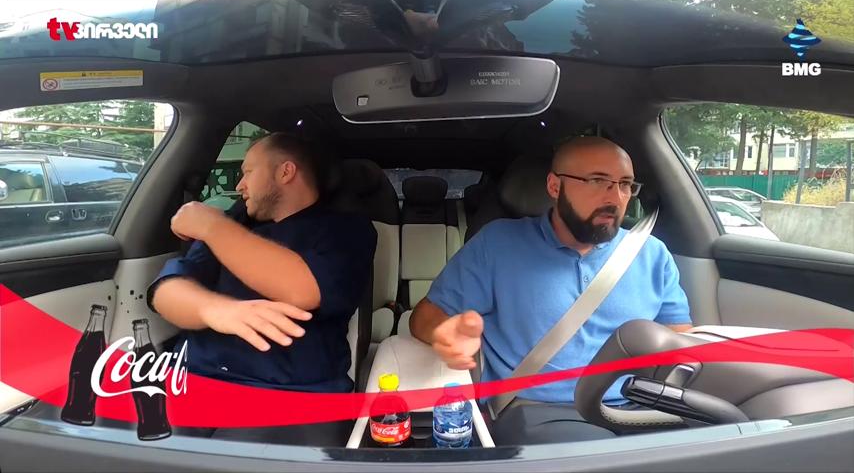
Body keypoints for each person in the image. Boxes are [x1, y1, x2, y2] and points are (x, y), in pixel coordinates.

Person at [409, 136, 693, 443]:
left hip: (642, 403)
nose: (616, 197)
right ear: (555, 187)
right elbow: (424, 317)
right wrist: (445, 334)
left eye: (625, 184)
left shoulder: (652, 253)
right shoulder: (498, 244)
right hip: (542, 410)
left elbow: (680, 340)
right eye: (598, 180)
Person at [146, 132, 377, 445]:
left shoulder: (345, 229)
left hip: (288, 397)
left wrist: (211, 226)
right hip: (190, 382)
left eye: (248, 172)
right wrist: (213, 309)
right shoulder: (234, 223)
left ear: (285, 171)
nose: (240, 185)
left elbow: (303, 289)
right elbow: (166, 291)